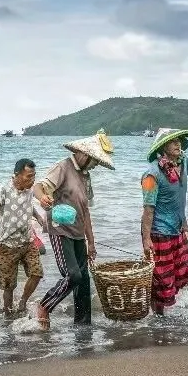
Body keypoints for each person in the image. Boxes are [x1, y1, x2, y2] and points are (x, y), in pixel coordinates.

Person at [32, 129, 115, 330]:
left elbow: (85, 212)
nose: (96, 165)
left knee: (84, 281)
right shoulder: (63, 166)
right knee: (73, 275)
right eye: (96, 160)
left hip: (78, 233)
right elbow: (38, 187)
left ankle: (83, 325)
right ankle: (44, 305)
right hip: (61, 231)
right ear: (85, 155)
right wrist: (42, 198)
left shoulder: (86, 176)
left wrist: (91, 242)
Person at [141, 128, 188, 314]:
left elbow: (180, 196)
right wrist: (146, 239)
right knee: (162, 280)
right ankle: (157, 315)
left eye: (179, 140)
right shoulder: (151, 175)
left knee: (185, 271)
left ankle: (161, 309)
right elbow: (148, 209)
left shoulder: (185, 163)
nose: (178, 143)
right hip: (159, 233)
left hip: (177, 229)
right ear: (162, 147)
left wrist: (184, 222)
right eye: (173, 141)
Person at [0, 158, 44, 317]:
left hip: (27, 241)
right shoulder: (2, 189)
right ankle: (7, 314)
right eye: (29, 176)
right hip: (6, 244)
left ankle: (23, 301)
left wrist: (38, 217)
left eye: (34, 176)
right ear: (17, 175)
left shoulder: (30, 189)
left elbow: (29, 205)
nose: (32, 180)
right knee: (8, 285)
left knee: (37, 273)